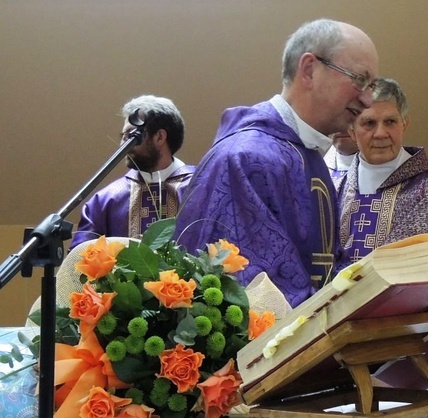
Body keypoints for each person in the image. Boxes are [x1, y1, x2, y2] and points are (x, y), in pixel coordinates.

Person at [174, 19, 378, 307]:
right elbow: (253, 295)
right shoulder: (246, 159)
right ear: (309, 70)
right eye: (359, 80)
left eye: (372, 85)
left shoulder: (306, 154)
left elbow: (324, 267)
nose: (368, 99)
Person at [338, 77, 428, 262]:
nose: (380, 133)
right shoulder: (335, 189)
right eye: (369, 123)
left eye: (390, 122)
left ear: (404, 124)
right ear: (352, 131)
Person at [70, 95, 194, 248]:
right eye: (123, 137)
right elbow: (79, 261)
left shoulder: (200, 189)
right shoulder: (105, 201)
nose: (123, 144)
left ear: (159, 137)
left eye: (130, 135)